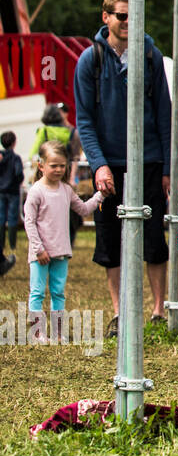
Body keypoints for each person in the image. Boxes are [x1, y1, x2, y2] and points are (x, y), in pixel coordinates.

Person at [73, 0, 172, 337]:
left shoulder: (150, 54)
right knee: (109, 240)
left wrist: (167, 168)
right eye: (121, 15)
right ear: (106, 17)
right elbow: (83, 119)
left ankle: (158, 311)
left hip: (148, 159)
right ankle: (120, 315)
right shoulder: (90, 59)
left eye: (133, 15)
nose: (128, 21)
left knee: (153, 237)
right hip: (109, 163)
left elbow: (164, 111)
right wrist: (98, 164)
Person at [23, 140, 103, 342]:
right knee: (38, 292)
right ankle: (38, 333)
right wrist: (38, 249)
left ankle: (58, 333)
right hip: (40, 254)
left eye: (62, 165)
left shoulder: (66, 190)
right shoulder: (36, 192)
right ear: (41, 166)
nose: (58, 169)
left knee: (58, 293)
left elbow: (84, 209)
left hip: (61, 252)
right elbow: (29, 223)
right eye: (53, 165)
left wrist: (100, 195)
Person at [0, 131, 22, 273]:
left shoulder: (0, 157)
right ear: (14, 142)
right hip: (13, 192)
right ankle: (13, 245)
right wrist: (16, 183)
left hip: (0, 191)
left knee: (1, 218)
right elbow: (19, 173)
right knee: (13, 218)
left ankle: (1, 244)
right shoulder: (15, 158)